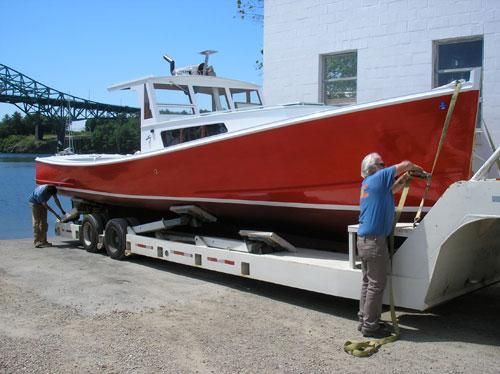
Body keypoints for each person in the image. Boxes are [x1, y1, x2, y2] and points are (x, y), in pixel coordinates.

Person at [357, 152, 424, 338]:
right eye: (383, 163)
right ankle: (370, 327)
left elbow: (393, 189)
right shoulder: (379, 176)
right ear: (376, 167)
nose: (385, 166)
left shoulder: (368, 184)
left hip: (364, 241)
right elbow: (407, 162)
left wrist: (405, 179)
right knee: (376, 285)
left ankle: (363, 320)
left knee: (367, 283)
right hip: (375, 242)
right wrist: (416, 169)